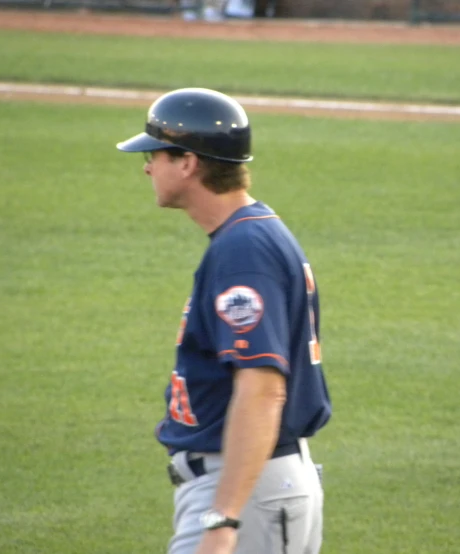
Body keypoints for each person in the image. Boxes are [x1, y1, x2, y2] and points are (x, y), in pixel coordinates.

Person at [115, 88, 332, 554]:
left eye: (154, 154)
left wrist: (223, 515)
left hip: (247, 490)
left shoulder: (243, 250)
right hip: (255, 483)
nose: (147, 166)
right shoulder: (249, 234)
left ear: (188, 163)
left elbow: (263, 387)